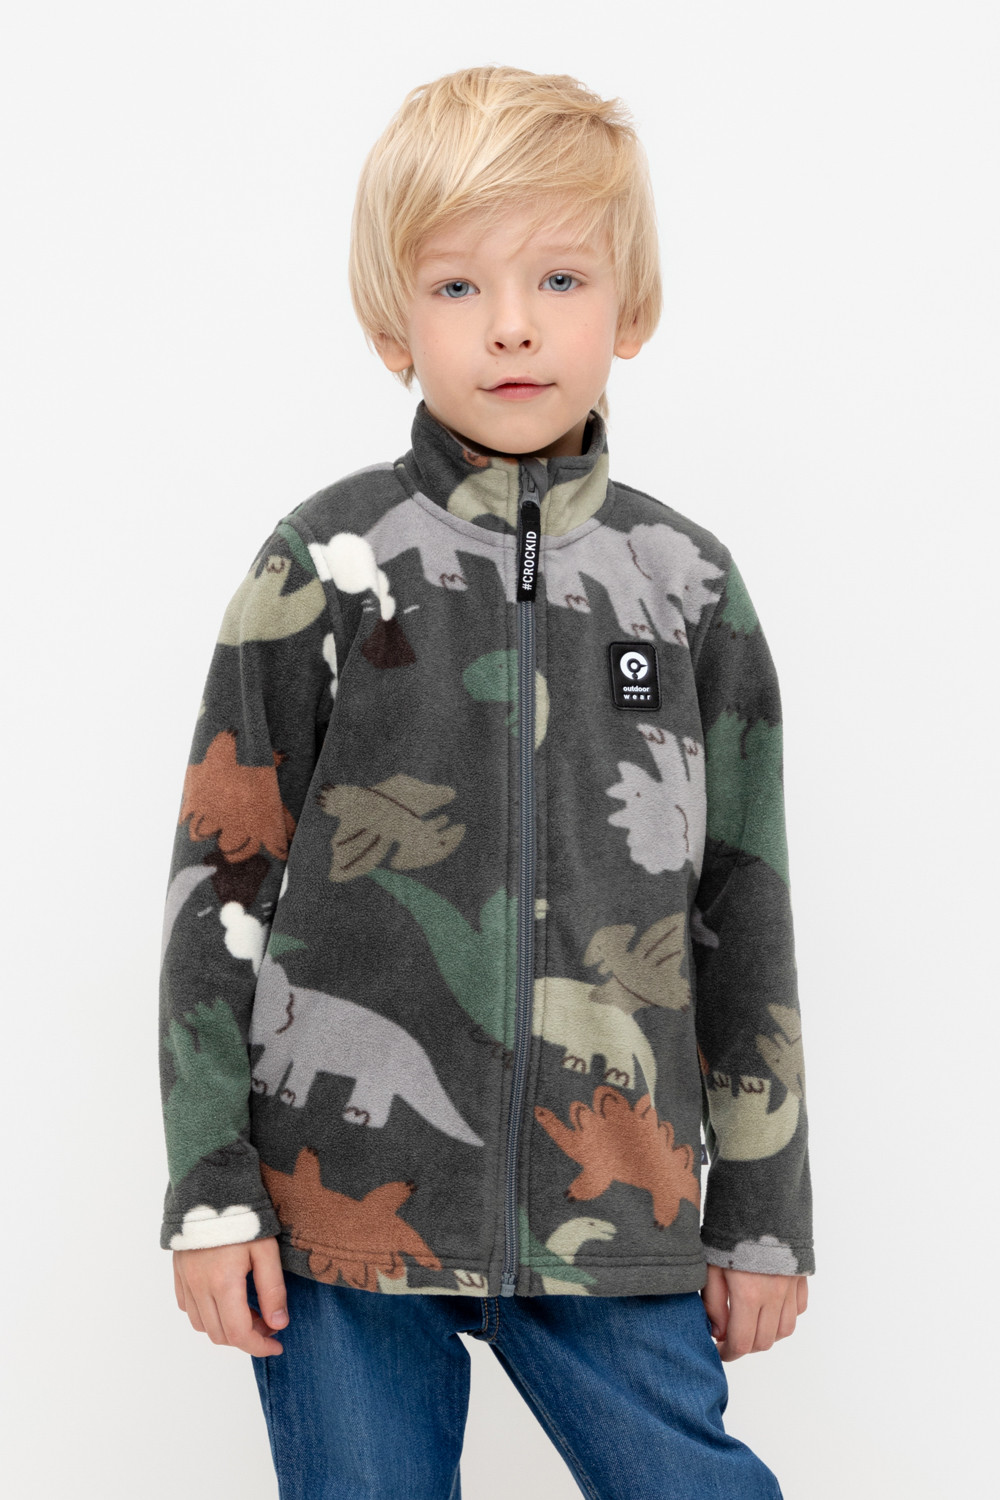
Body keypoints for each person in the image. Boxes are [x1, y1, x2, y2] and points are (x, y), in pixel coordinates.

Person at [159, 64, 814, 1499]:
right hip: (338, 1218)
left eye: (559, 277)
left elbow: (742, 906)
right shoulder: (324, 563)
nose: (512, 323)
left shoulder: (687, 586)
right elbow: (222, 881)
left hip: (618, 1192)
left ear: (630, 307)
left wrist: (764, 1210)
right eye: (458, 286)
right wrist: (211, 1188)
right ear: (393, 322)